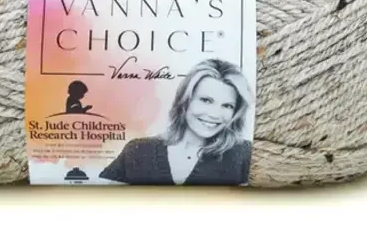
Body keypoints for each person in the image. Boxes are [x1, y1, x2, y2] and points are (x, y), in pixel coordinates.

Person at [99, 58, 252, 185]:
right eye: (206, 100)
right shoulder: (138, 151)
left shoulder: (244, 154)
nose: (214, 114)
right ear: (185, 100)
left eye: (227, 105)